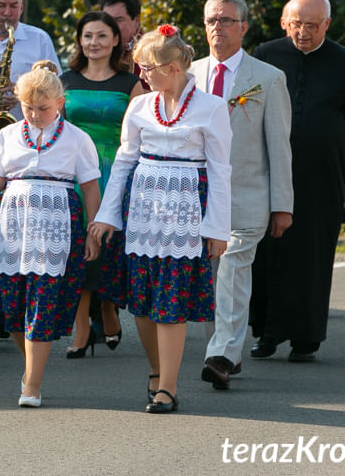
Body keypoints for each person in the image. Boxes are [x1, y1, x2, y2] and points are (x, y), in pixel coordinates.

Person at [91, 25, 232, 413]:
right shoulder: (139, 106)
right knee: (141, 301)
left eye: (147, 68)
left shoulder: (211, 107)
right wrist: (108, 216)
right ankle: (156, 372)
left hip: (186, 210)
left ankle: (168, 387)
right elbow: (124, 161)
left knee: (171, 299)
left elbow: (221, 170)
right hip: (143, 209)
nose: (142, 75)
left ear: (171, 67)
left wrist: (217, 228)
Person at [0, 60, 101, 408]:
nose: (35, 115)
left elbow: (91, 188)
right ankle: (30, 369)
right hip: (11, 224)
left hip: (56, 224)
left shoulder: (78, 140)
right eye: (28, 107)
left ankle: (32, 384)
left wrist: (92, 231)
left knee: (43, 298)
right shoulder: (8, 135)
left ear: (59, 103)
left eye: (43, 108)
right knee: (13, 305)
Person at [249, 0, 345, 362]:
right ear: (285, 22)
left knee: (313, 256)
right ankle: (266, 334)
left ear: (327, 26)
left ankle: (306, 338)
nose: (303, 32)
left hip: (321, 178)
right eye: (296, 24)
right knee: (266, 251)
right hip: (269, 172)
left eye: (312, 26)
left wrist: (330, 155)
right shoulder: (266, 56)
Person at [190, 0, 293, 390]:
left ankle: (222, 355)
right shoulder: (189, 75)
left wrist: (282, 205)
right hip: (198, 197)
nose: (218, 27)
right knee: (210, 275)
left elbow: (279, 147)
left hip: (248, 195)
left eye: (227, 20)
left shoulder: (267, 78)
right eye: (212, 20)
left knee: (232, 269)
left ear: (244, 27)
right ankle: (221, 348)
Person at [59, 10, 142, 358]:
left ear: (116, 41)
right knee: (77, 248)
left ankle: (107, 306)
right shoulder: (65, 80)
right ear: (80, 40)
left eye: (102, 36)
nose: (94, 42)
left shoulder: (130, 84)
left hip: (116, 172)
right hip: (74, 173)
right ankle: (81, 328)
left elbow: (140, 134)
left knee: (108, 248)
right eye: (88, 35)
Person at [99, 0, 147, 90]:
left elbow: (162, 97)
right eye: (107, 20)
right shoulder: (94, 48)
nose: (111, 26)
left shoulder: (153, 52)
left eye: (118, 20)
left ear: (136, 20)